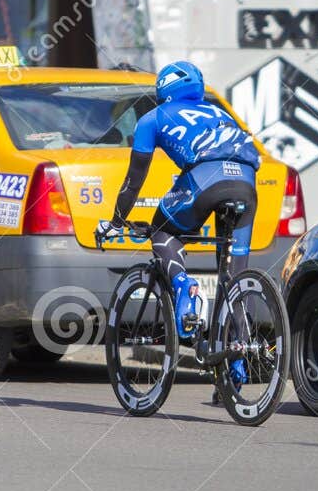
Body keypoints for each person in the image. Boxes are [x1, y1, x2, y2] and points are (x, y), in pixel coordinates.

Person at [104, 61, 260, 359]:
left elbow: (134, 182)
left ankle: (183, 285)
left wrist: (117, 220)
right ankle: (236, 362)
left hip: (205, 181)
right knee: (235, 274)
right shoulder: (220, 113)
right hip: (246, 184)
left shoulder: (152, 118)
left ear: (164, 89)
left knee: (163, 230)